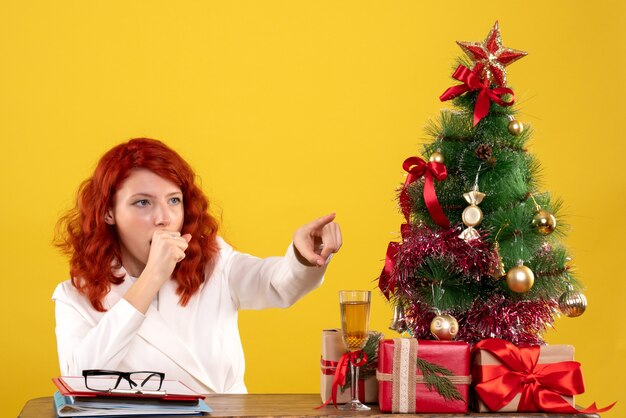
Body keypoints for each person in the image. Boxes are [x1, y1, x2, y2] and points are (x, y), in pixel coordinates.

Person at [53, 138, 342, 394]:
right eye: (142, 203)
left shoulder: (214, 263)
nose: (164, 218)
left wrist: (304, 256)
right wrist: (152, 277)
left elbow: (275, 284)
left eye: (174, 200)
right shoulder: (73, 298)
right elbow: (79, 379)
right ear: (108, 213)